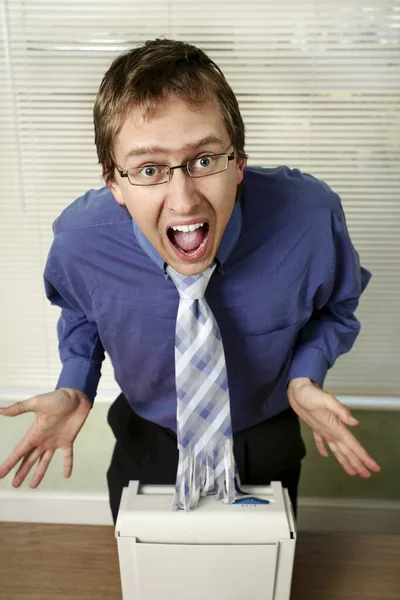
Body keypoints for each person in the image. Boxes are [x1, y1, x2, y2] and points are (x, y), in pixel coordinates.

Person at [0, 38, 381, 521]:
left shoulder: (310, 219)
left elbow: (335, 308)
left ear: (238, 160)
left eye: (204, 160)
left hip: (266, 433)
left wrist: (306, 375)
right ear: (113, 182)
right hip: (147, 436)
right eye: (149, 168)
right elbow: (81, 308)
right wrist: (77, 383)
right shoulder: (81, 240)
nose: (183, 202)